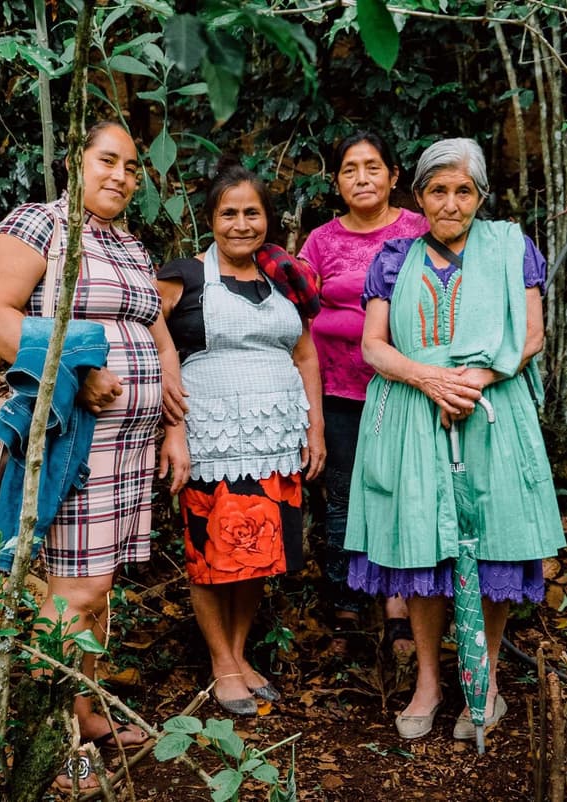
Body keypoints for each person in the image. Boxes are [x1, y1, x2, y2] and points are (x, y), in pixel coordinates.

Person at [0, 120, 187, 789]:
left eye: (131, 167)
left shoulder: (126, 241)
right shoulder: (41, 224)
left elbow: (155, 329)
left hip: (130, 443)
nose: (121, 175)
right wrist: (76, 370)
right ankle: (51, 741)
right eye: (107, 161)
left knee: (100, 591)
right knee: (73, 591)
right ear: (75, 162)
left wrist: (173, 426)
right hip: (75, 437)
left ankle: (87, 712)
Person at [344, 137, 566, 741]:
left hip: (493, 410)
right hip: (417, 415)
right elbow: (372, 346)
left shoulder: (510, 247)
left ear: (481, 196)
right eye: (438, 191)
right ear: (418, 197)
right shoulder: (394, 258)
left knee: (495, 544)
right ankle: (428, 683)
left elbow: (533, 334)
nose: (450, 203)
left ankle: (484, 681)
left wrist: (478, 377)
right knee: (422, 546)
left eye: (463, 191)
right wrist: (432, 378)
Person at [156, 163, 326, 716]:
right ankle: (221, 665)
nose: (240, 223)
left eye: (252, 212)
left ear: (267, 219)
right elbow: (147, 336)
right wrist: (170, 423)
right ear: (210, 220)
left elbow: (305, 353)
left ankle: (238, 655)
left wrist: (315, 425)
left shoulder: (282, 278)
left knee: (258, 553)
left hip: (277, 436)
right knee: (212, 554)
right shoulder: (187, 275)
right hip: (213, 436)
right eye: (228, 213)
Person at [299, 131, 428, 664]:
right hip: (337, 389)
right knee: (344, 497)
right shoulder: (320, 241)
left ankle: (398, 607)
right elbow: (296, 307)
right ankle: (347, 607)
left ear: (395, 176)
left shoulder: (420, 230)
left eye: (373, 167)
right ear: (336, 182)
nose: (362, 178)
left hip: (406, 387)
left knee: (400, 493)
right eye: (350, 169)